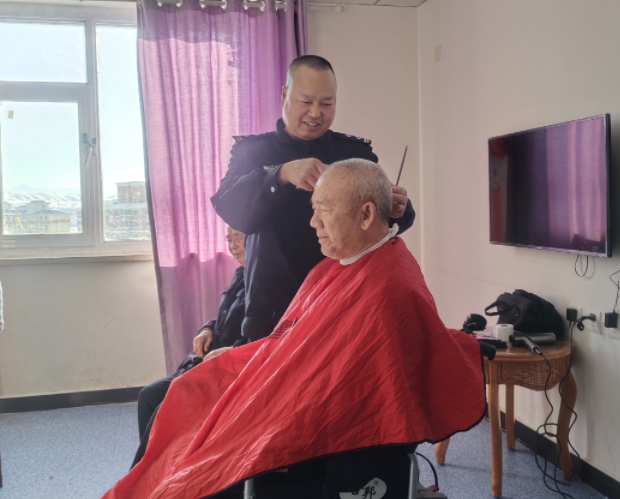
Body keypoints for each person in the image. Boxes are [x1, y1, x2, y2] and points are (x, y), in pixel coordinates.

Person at [103, 160, 485, 499]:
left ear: (367, 214)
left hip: (297, 410)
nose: (313, 223)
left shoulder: (388, 290)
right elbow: (297, 341)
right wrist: (243, 356)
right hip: (277, 375)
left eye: (324, 211)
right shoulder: (340, 266)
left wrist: (261, 393)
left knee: (191, 442)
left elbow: (346, 388)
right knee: (180, 394)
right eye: (313, 209)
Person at [211, 55, 416, 344]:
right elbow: (232, 210)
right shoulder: (252, 152)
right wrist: (280, 175)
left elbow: (385, 222)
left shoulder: (353, 153)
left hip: (342, 304)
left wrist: (398, 208)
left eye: (327, 103)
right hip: (273, 310)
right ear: (285, 94)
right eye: (306, 102)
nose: (316, 113)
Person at [133, 227, 246, 467]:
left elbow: (266, 336)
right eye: (228, 239)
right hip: (203, 362)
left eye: (238, 236)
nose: (232, 244)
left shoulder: (266, 282)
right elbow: (224, 318)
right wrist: (206, 329)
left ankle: (149, 472)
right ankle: (149, 469)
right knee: (148, 396)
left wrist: (232, 351)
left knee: (162, 409)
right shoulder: (241, 273)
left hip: (227, 372)